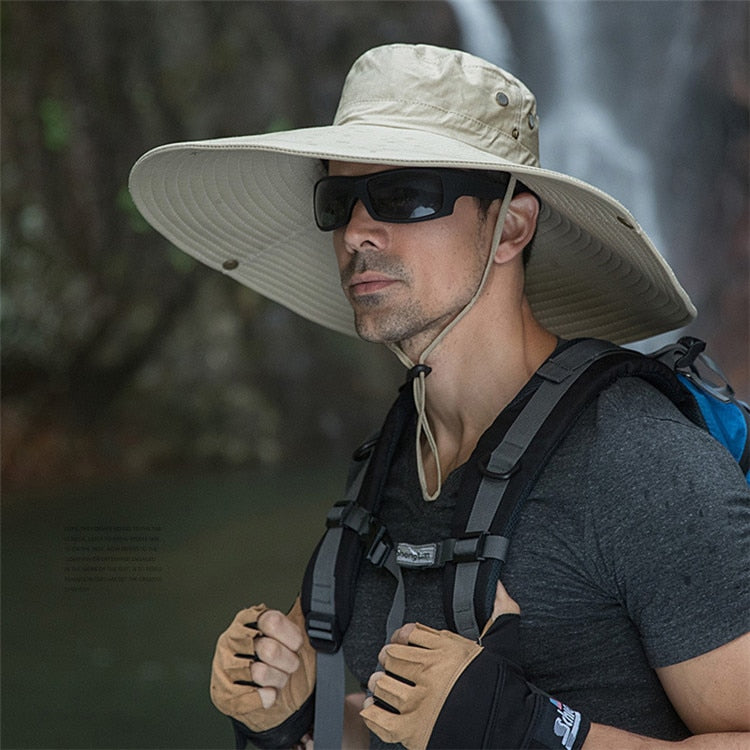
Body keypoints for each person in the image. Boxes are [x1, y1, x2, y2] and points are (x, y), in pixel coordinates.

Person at [129, 44, 750, 749]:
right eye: (339, 203)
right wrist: (288, 715)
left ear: (511, 226)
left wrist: (529, 731)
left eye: (403, 196)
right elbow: (397, 729)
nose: (357, 232)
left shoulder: (640, 464)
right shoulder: (391, 463)